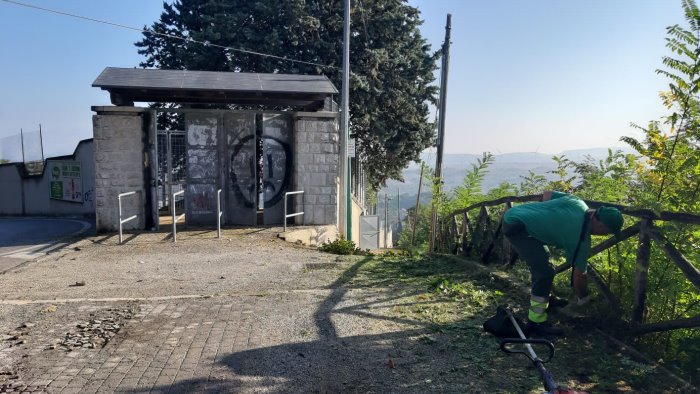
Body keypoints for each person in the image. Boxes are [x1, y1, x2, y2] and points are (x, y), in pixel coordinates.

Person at [502, 190, 624, 337]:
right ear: (600, 224)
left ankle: (544, 297)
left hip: (517, 213)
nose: (605, 235)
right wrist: (583, 297)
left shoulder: (578, 203)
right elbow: (580, 275)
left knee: (544, 266)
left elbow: (547, 194)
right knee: (545, 272)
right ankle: (536, 322)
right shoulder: (580, 237)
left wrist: (545, 217)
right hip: (516, 226)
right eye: (607, 231)